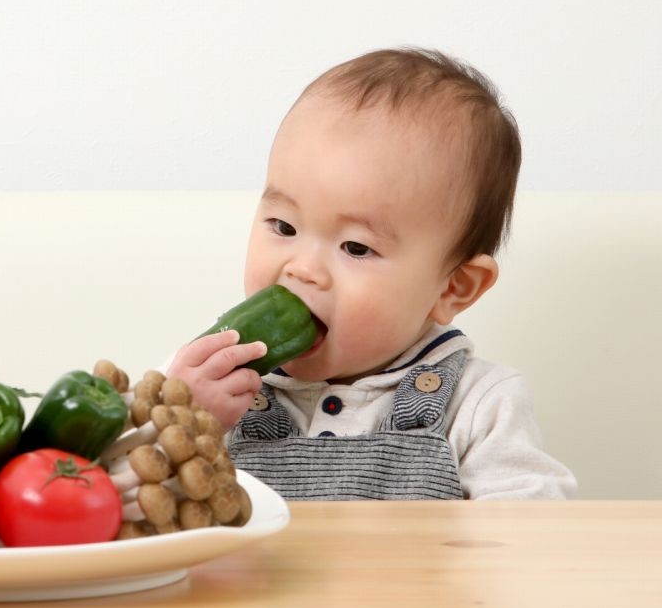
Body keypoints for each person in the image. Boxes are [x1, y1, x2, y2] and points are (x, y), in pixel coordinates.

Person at [165, 48, 576, 500]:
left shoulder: (479, 404)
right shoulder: (203, 382)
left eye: (356, 247)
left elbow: (533, 528)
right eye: (284, 227)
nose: (303, 269)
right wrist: (178, 427)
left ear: (454, 287)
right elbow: (120, 498)